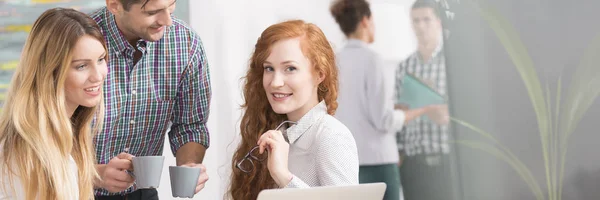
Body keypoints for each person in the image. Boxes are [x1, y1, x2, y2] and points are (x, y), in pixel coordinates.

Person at [90, 0, 211, 199]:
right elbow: (38, 141)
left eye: (171, 6)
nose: (168, 21)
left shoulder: (186, 42)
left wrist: (189, 164)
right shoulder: (77, 40)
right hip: (74, 190)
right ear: (114, 5)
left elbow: (190, 125)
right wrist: (95, 174)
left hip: (142, 193)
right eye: (153, 12)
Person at [228, 20, 359, 200]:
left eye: (290, 68)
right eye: (269, 68)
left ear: (320, 74)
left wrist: (283, 176)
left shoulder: (331, 136)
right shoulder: (276, 132)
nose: (275, 82)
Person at [330, 1, 442, 199]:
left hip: (347, 162)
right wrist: (421, 110)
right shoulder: (372, 59)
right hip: (379, 163)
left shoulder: (333, 61)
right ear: (366, 21)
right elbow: (384, 120)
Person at [0, 8, 108, 200]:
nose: (98, 76)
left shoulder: (66, 141)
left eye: (100, 60)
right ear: (51, 71)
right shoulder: (25, 154)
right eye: (81, 66)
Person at [395, 1, 453, 200]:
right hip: (414, 165)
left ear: (438, 22)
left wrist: (447, 113)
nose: (420, 26)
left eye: (426, 20)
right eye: (416, 21)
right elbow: (399, 118)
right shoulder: (404, 68)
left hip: (447, 161)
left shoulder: (452, 62)